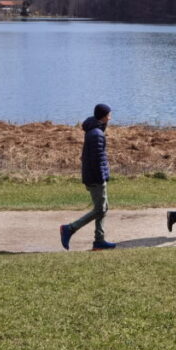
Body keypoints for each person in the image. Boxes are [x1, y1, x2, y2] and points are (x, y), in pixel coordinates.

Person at [60, 103, 116, 251]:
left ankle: (99, 241)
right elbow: (96, 160)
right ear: (104, 116)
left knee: (103, 208)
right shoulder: (96, 134)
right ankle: (69, 228)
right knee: (100, 210)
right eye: (109, 114)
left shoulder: (95, 131)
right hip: (96, 178)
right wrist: (101, 178)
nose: (110, 117)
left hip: (95, 176)